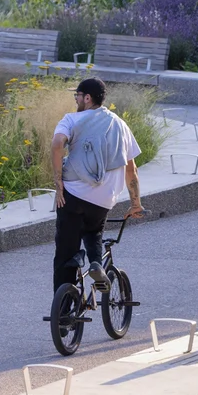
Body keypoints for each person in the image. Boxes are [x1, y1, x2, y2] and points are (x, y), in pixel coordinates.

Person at [50, 77, 145, 297]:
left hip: (72, 196)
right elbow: (131, 169)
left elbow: (57, 144)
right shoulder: (120, 124)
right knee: (94, 229)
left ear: (87, 98)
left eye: (77, 96)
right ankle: (95, 263)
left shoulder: (71, 119)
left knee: (64, 254)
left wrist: (58, 183)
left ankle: (64, 316)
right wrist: (135, 203)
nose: (76, 100)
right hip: (104, 198)